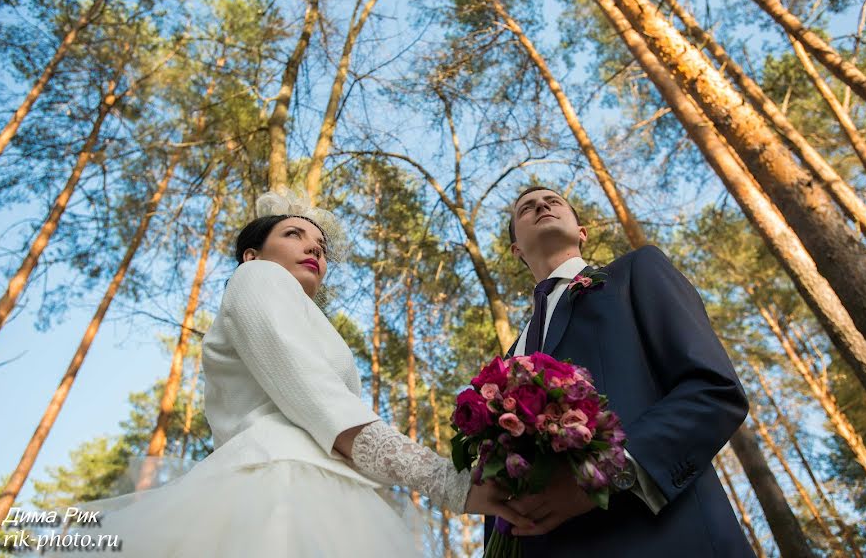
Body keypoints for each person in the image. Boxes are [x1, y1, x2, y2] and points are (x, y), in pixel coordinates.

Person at [81, 188, 530, 556]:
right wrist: (448, 484)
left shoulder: (305, 315)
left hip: (318, 482)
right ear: (251, 255)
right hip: (281, 485)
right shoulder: (256, 278)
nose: (314, 246)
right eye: (294, 234)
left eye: (319, 245)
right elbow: (319, 400)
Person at [490, 186, 753, 557]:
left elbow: (712, 388)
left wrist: (602, 474)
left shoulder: (634, 273)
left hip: (664, 537)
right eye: (526, 209)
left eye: (554, 201)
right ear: (517, 249)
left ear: (582, 232)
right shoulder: (509, 359)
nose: (542, 206)